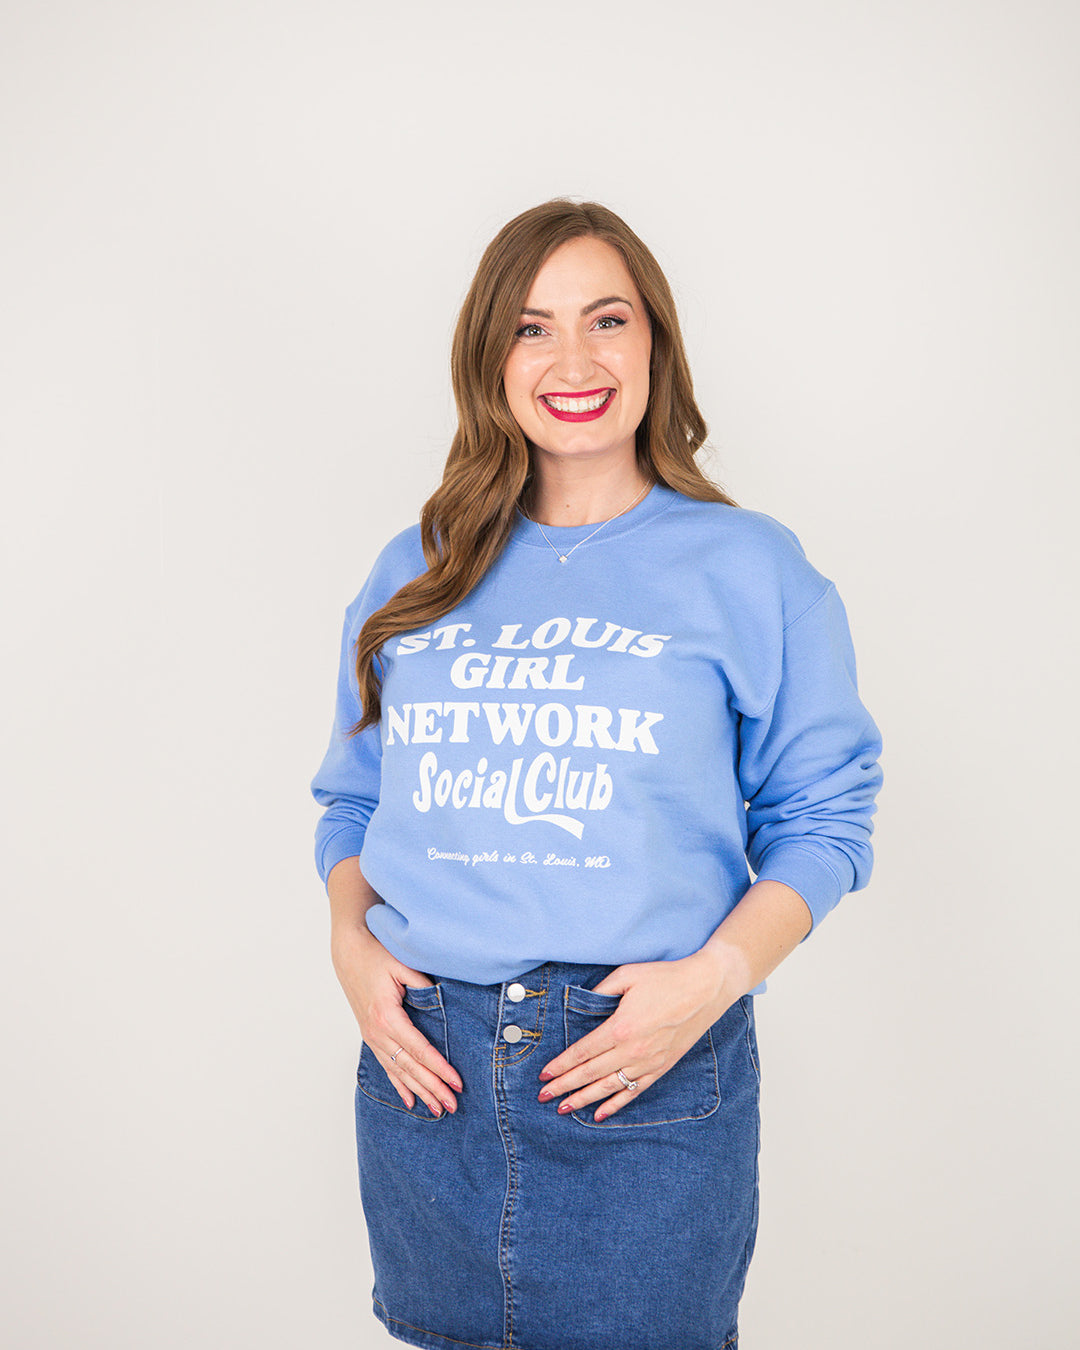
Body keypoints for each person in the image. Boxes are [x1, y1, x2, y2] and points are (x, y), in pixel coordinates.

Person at [310, 198, 883, 1350]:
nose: (572, 359)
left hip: (643, 1068)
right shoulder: (416, 568)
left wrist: (714, 979)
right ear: (491, 360)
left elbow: (826, 818)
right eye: (531, 328)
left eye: (605, 320)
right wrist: (351, 946)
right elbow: (355, 799)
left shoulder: (748, 566)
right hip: (436, 1077)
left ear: (656, 344)